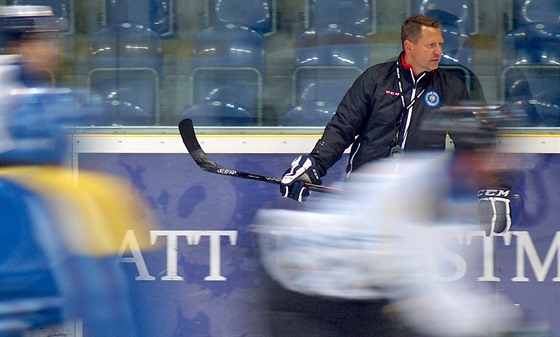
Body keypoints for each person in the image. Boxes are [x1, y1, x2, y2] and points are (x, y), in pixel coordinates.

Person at [280, 14, 479, 203]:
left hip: (419, 199)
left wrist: (487, 187)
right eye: (431, 45)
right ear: (409, 46)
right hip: (365, 193)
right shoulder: (375, 79)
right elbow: (342, 128)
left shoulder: (450, 88)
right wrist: (314, 166)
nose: (438, 52)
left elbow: (469, 143)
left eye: (440, 45)